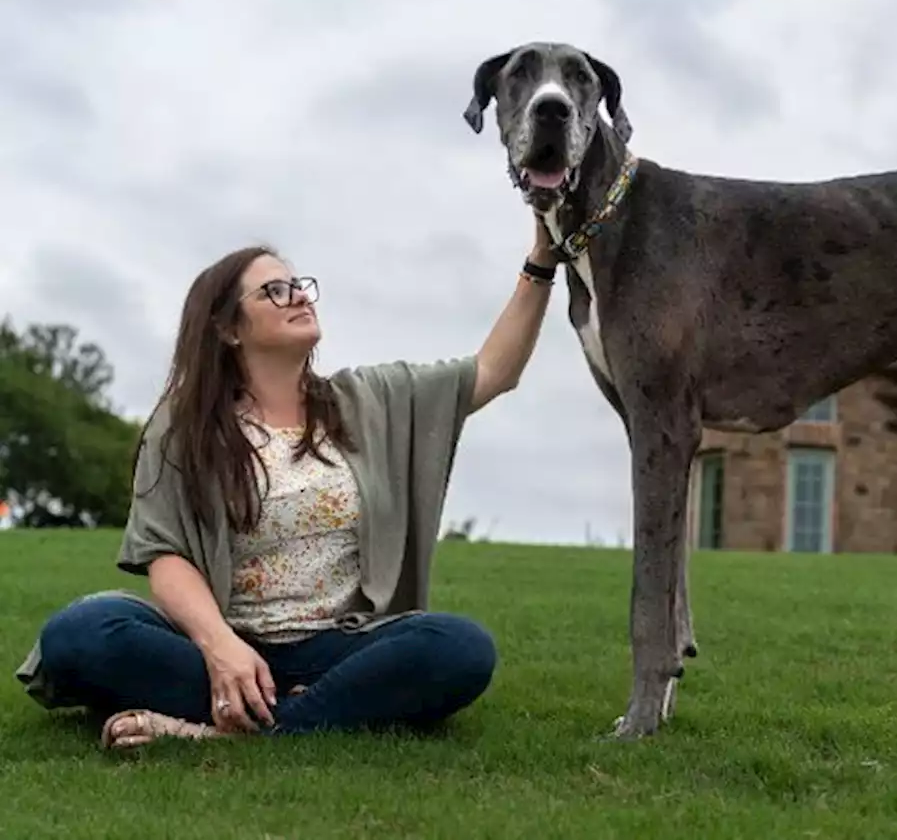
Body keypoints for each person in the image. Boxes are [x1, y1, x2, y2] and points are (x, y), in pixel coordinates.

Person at [15, 215, 559, 748]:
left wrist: (541, 261)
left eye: (298, 286)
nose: (299, 296)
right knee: (79, 633)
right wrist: (220, 646)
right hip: (219, 645)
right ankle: (302, 710)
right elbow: (165, 553)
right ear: (228, 328)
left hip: (337, 647)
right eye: (274, 291)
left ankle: (231, 731)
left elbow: (493, 372)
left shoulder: (369, 400)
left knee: (459, 647)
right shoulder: (184, 424)